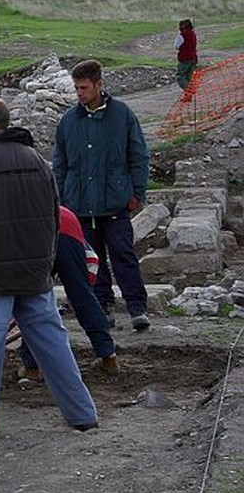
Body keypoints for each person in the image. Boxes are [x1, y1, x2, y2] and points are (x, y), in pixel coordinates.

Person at [0, 97, 98, 449]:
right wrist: (45, 264)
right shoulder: (37, 161)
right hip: (33, 276)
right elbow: (54, 219)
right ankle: (82, 413)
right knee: (54, 345)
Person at [53, 59, 151, 331]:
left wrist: (137, 193)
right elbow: (60, 163)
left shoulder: (122, 115)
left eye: (84, 87)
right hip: (80, 206)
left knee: (124, 255)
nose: (80, 93)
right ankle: (102, 307)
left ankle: (137, 308)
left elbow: (138, 155)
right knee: (92, 261)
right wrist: (63, 200)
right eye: (76, 88)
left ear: (98, 85)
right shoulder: (68, 121)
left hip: (116, 202)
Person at [18, 206, 120, 380]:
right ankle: (108, 356)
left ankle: (32, 367)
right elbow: (90, 266)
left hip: (37, 229)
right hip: (66, 225)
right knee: (83, 296)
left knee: (33, 300)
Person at [174, 19, 198, 90]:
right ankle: (189, 96)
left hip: (184, 59)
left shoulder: (181, 36)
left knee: (180, 76)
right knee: (189, 78)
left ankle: (189, 91)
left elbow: (176, 46)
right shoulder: (193, 34)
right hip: (193, 58)